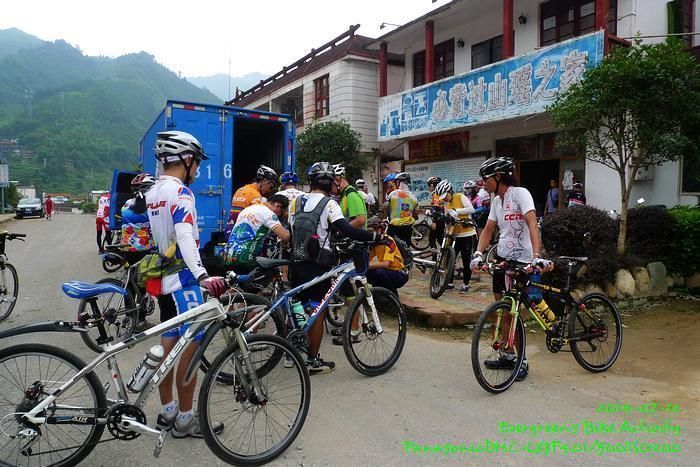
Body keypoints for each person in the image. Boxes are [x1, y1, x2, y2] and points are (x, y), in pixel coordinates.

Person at [147, 130, 226, 437]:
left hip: (163, 281)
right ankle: (185, 418)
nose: (198, 170)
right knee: (191, 351)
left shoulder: (153, 191)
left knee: (167, 346)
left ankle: (167, 410)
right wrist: (202, 275)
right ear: (187, 159)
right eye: (197, 163)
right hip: (184, 282)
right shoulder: (181, 193)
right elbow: (184, 236)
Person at [288, 162, 382, 374]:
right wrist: (376, 237)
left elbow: (292, 230)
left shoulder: (296, 202)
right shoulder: (330, 204)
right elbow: (348, 230)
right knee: (317, 311)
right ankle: (312, 361)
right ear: (330, 183)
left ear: (311, 182)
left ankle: (289, 354)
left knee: (297, 307)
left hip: (296, 261)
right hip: (319, 265)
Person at [470, 157, 552, 382]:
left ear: (498, 176)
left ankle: (521, 360)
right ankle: (508, 355)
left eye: (485, 178)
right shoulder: (497, 201)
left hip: (523, 261)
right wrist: (478, 254)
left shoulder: (520, 193)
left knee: (513, 312)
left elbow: (532, 224)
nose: (483, 183)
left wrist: (536, 257)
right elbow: (488, 229)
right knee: (502, 310)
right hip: (503, 260)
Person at [120, 173, 157, 330]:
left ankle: (128, 317)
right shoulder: (150, 207)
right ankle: (140, 320)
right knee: (142, 284)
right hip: (143, 250)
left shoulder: (126, 205)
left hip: (126, 249)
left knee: (129, 283)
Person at [224, 194, 290, 274]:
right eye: (282, 212)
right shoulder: (268, 213)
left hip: (229, 256)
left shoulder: (247, 209)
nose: (280, 215)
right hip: (246, 258)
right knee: (267, 275)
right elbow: (285, 236)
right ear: (277, 205)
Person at [435, 180, 476, 292]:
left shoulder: (460, 196)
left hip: (467, 233)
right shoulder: (446, 204)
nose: (444, 199)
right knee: (450, 258)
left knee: (466, 259)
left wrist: (456, 211)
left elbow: (471, 209)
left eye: (445, 196)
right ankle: (450, 283)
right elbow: (447, 219)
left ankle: (466, 284)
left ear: (450, 191)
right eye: (442, 197)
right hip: (454, 235)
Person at [224, 165, 279, 237]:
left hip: (229, 229)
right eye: (271, 187)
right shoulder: (256, 196)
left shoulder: (241, 190)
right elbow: (262, 218)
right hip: (240, 233)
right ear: (265, 181)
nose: (269, 191)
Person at [365, 216, 409, 297]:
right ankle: (378, 295)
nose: (368, 234)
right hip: (388, 271)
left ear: (379, 230)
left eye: (370, 231)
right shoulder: (374, 242)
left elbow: (386, 264)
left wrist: (365, 265)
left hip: (399, 273)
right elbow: (370, 259)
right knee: (367, 272)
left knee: (379, 272)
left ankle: (393, 296)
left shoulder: (388, 242)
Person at [383, 172, 419, 245]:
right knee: (406, 246)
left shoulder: (393, 194)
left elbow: (384, 207)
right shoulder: (413, 196)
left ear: (398, 182)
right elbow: (416, 212)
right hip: (407, 226)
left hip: (394, 226)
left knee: (393, 246)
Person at [332, 164, 367, 228]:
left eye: (331, 185)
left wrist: (340, 230)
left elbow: (360, 220)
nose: (330, 189)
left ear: (337, 180)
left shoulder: (350, 194)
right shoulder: (345, 194)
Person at [427, 176, 445, 252]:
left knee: (433, 238)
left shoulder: (436, 194)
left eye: (429, 185)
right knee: (439, 238)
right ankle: (447, 254)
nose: (428, 187)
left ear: (432, 185)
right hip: (442, 218)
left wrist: (434, 221)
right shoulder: (441, 193)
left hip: (438, 219)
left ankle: (441, 255)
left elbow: (436, 208)